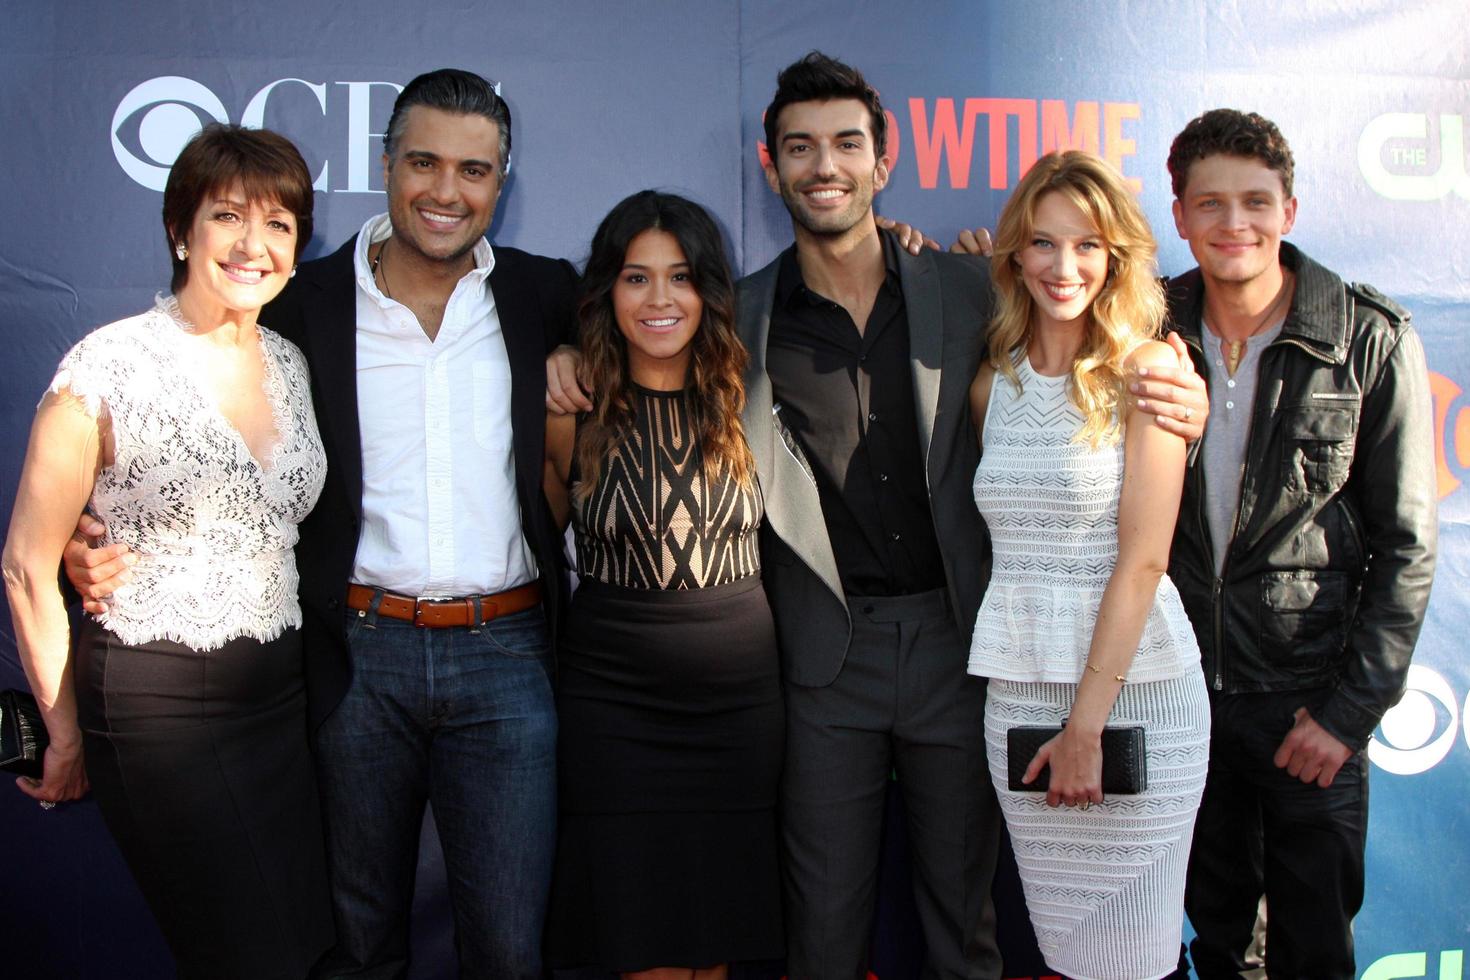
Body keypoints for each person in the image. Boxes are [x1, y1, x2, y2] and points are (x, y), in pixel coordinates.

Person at [64, 69, 576, 979]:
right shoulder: (301, 305)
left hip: (508, 658)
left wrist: (885, 247)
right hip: (354, 659)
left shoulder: (546, 297)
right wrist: (84, 529)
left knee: (507, 949)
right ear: (384, 165)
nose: (446, 191)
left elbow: (671, 318)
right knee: (354, 942)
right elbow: (193, 414)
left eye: (475, 170)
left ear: (503, 181)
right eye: (423, 162)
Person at [3, 124, 333, 978]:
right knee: (248, 954)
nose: (253, 246)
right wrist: (62, 729)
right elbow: (27, 564)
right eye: (228, 216)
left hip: (277, 703)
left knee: (294, 943)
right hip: (160, 711)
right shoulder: (109, 364)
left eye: (279, 225)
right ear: (182, 229)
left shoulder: (291, 362)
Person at [1163, 109, 1437, 979]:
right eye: (1210, 203)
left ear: (1290, 209)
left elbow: (1407, 547)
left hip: (1306, 710)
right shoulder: (1144, 321)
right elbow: (1037, 301)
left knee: (1314, 949)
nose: (1233, 224)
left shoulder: (1367, 339)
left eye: (1254, 201)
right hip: (1183, 702)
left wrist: (1348, 717)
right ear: (1180, 216)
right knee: (1216, 943)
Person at [965, 150, 1209, 980]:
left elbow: (1143, 563)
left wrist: (1084, 731)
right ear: (1013, 255)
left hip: (1133, 698)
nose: (1062, 266)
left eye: (1087, 246)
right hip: (1021, 692)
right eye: (1041, 243)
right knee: (1066, 954)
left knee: (1139, 959)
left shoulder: (1148, 372)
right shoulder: (991, 383)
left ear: (1115, 258)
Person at [542, 190, 783, 979]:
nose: (659, 300)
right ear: (606, 291)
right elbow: (542, 537)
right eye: (636, 278)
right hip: (615, 711)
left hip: (738, 710)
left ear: (708, 291)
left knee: (715, 948)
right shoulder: (575, 405)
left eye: (680, 278)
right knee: (640, 946)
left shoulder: (751, 392)